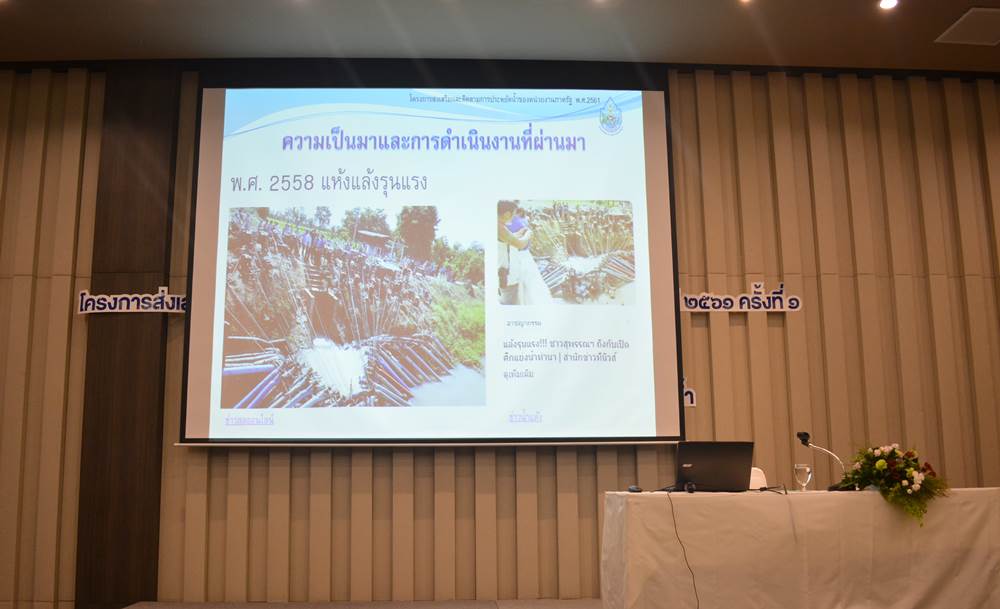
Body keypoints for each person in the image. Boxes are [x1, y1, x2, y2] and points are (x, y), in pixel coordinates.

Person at [497, 200, 552, 305]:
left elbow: (509, 238)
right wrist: (528, 235)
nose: (514, 218)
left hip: (506, 274)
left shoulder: (500, 227)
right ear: (507, 214)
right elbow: (520, 244)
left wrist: (519, 232)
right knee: (511, 304)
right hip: (507, 276)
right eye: (513, 215)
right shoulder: (499, 228)